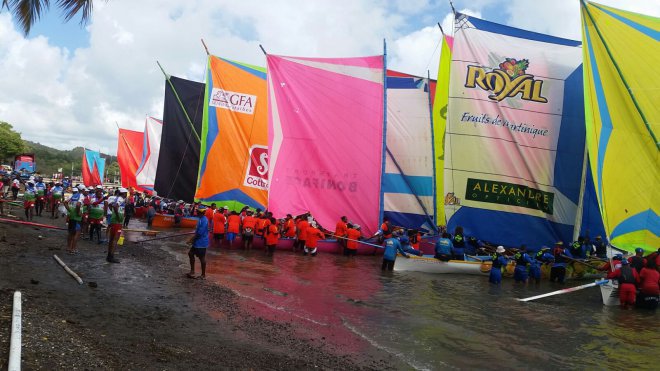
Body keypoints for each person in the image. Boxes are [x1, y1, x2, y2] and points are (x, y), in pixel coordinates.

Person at [187, 205, 209, 279]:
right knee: (190, 253)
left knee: (202, 258)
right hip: (197, 242)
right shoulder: (200, 219)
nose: (196, 212)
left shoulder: (204, 220)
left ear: (200, 212)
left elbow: (200, 233)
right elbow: (197, 231)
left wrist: (191, 239)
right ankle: (192, 271)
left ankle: (203, 275)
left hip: (201, 242)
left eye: (197, 211)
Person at [106, 188, 127, 264]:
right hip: (117, 222)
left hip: (113, 220)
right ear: (123, 193)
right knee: (115, 239)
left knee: (112, 239)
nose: (126, 195)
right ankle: (111, 257)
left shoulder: (116, 198)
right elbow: (114, 206)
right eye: (126, 193)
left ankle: (109, 256)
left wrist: (113, 213)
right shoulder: (121, 199)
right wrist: (118, 216)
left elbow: (110, 205)